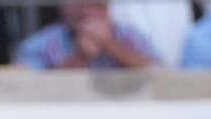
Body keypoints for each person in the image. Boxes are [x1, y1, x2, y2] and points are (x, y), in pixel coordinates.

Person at [15, 1, 157, 70]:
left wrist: (110, 45)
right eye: (80, 5)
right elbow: (32, 93)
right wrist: (79, 57)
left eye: (96, 5)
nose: (87, 12)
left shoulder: (129, 36)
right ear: (63, 7)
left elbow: (163, 75)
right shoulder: (40, 43)